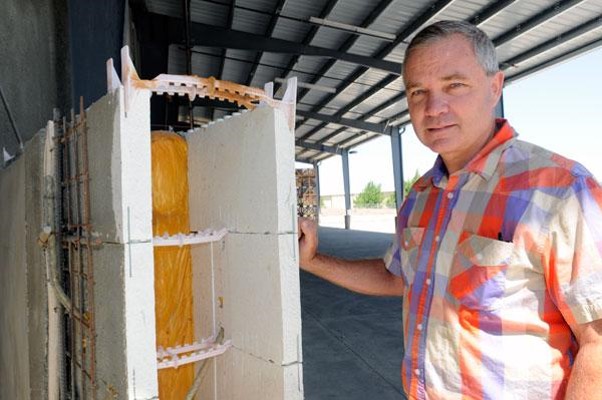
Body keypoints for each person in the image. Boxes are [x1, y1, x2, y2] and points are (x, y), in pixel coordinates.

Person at [298, 20, 602, 399]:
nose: (433, 107)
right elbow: (397, 277)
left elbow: (598, 340)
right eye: (417, 92)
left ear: (495, 87)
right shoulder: (423, 193)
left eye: (454, 85)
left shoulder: (559, 189)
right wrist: (313, 260)